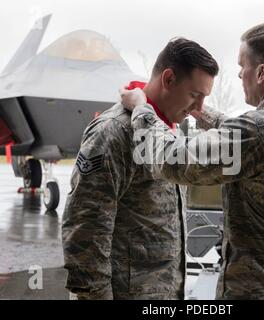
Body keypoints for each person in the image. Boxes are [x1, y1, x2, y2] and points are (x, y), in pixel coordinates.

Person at [121, 22, 264, 299]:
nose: (240, 74)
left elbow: (171, 160)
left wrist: (142, 110)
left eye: (243, 66)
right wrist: (203, 113)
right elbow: (259, 142)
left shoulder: (259, 130)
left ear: (262, 72)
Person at [62, 37, 219, 299]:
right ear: (168, 79)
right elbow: (85, 227)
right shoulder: (114, 131)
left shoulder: (168, 130)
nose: (199, 109)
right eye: (195, 95)